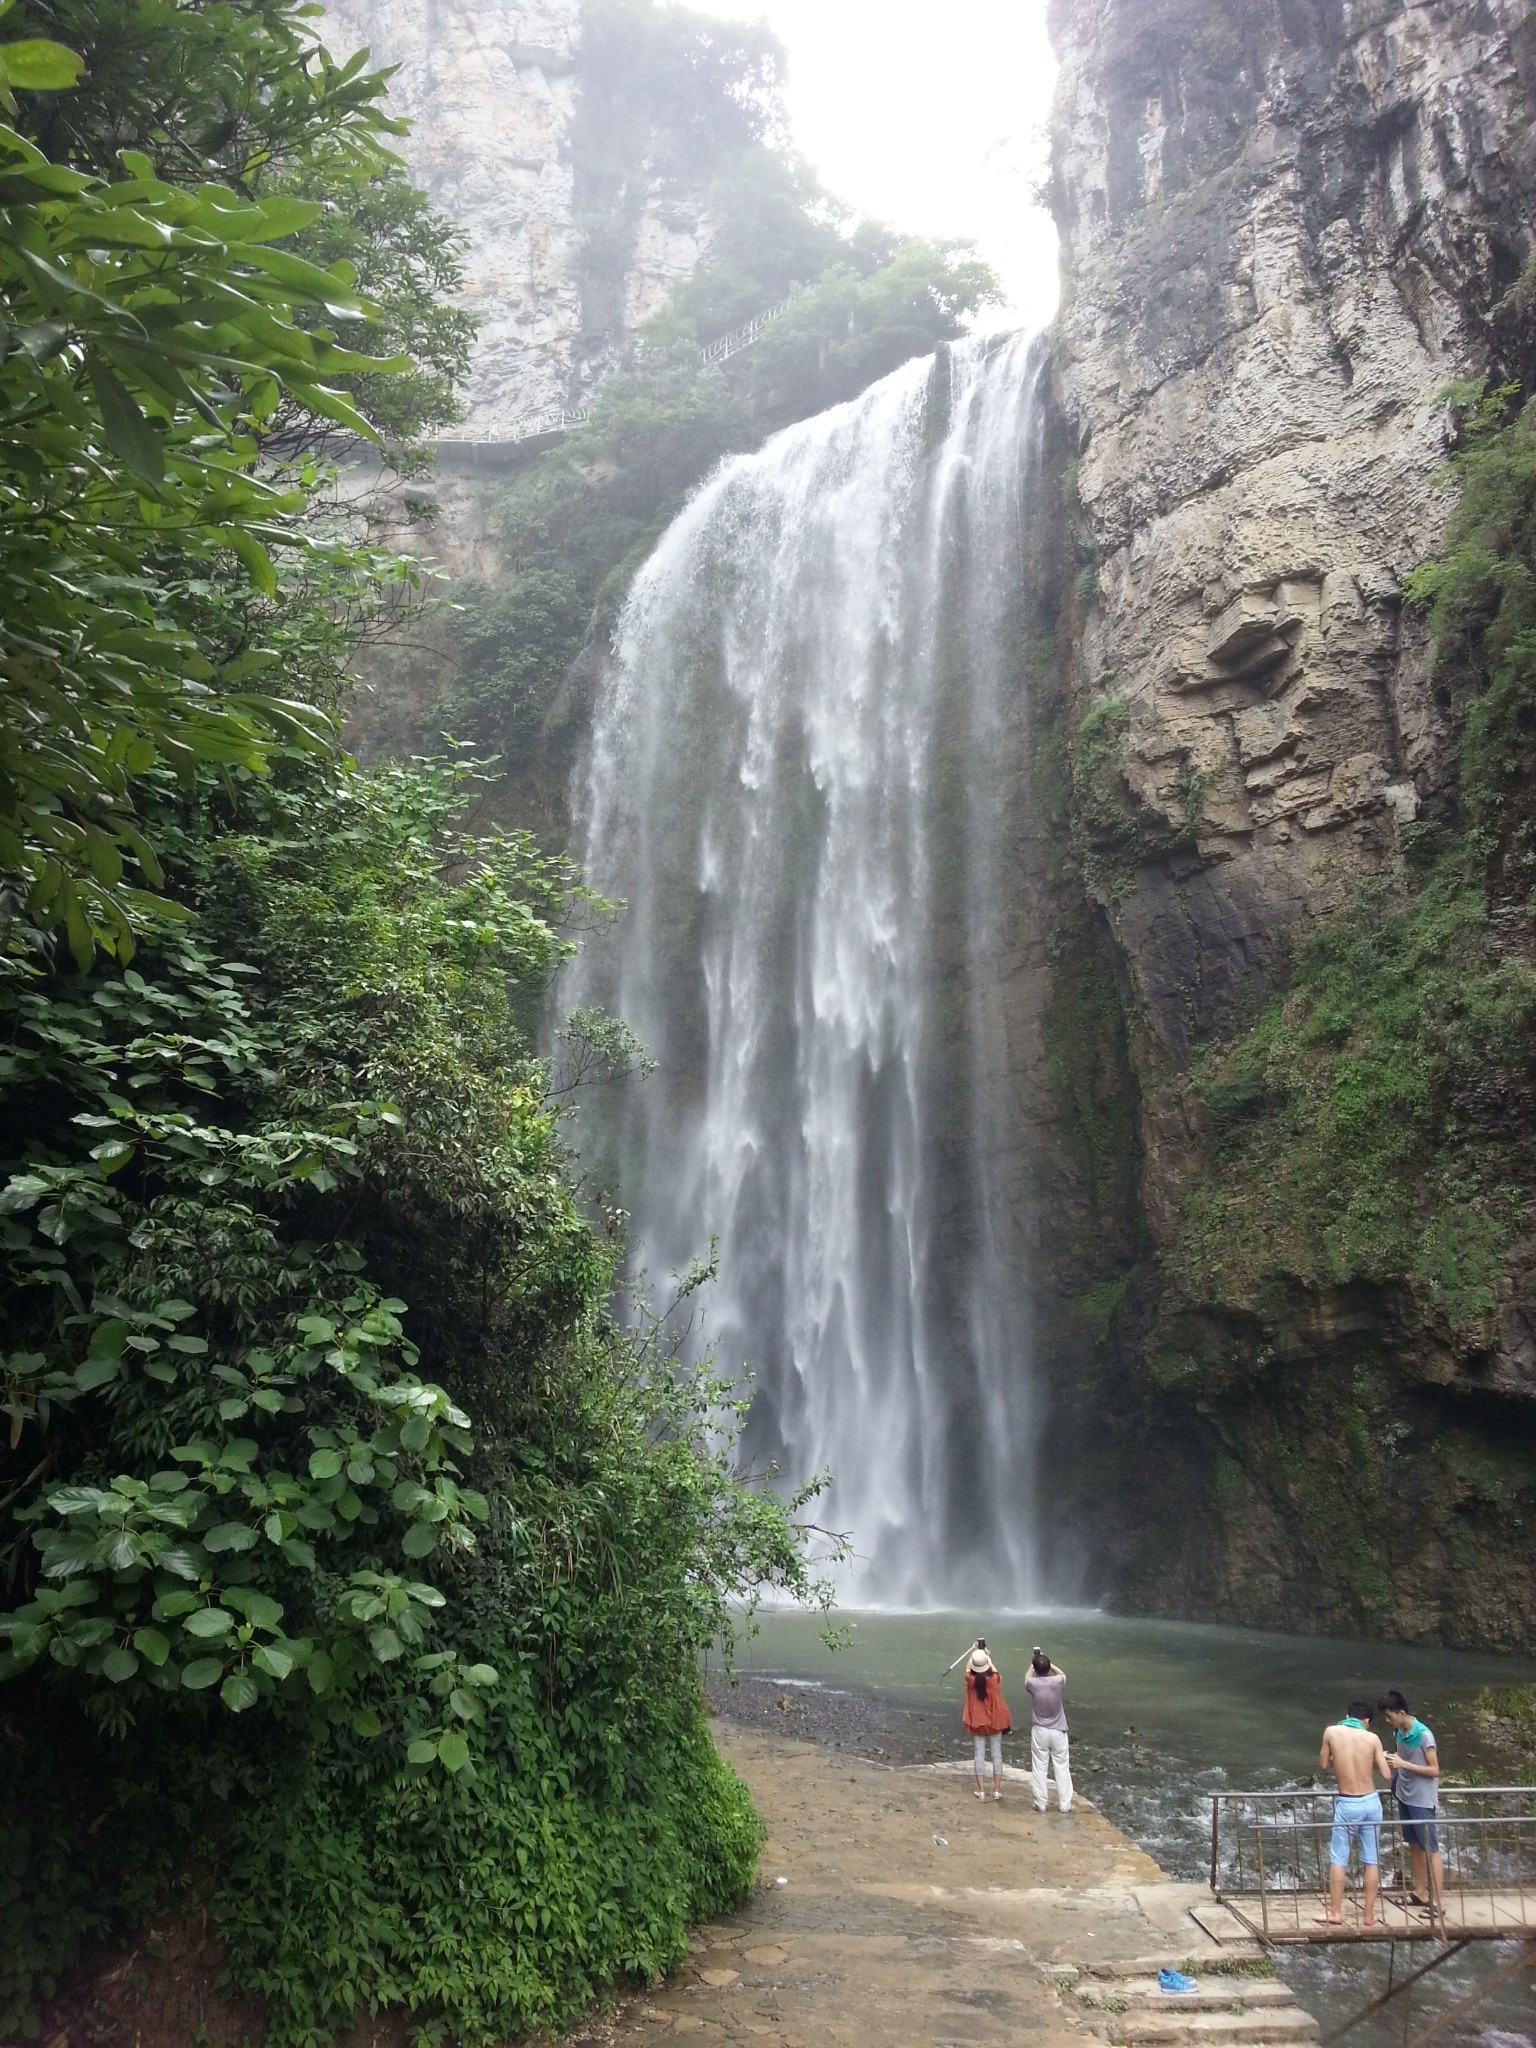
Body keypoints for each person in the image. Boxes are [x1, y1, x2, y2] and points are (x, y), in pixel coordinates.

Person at [1317, 1700, 1393, 1926]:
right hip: (1371, 1801)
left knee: (1339, 1859)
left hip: (1348, 1802)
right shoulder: (1372, 1739)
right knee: (1371, 1859)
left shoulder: (1331, 1732)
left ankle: (1335, 1913)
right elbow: (1387, 1774)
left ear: (1347, 1715)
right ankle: (1368, 1916)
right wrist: (1375, 1760)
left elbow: (1323, 1765)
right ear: (1366, 1721)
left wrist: (1337, 1758)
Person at [1379, 1689, 1443, 1913]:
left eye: (1390, 1716)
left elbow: (1434, 1770)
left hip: (1422, 1800)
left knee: (1431, 1847)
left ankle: (1437, 1903)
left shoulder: (1424, 1735)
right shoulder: (1399, 1733)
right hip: (1405, 1795)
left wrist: (1404, 1765)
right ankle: (1420, 1892)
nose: (1388, 1721)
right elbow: (1402, 1760)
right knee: (1414, 1846)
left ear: (1402, 1712)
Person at [1025, 1646, 1072, 1814]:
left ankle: (1041, 1803)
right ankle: (1065, 1804)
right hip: (1058, 1730)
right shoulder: (1058, 1682)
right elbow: (1062, 1673)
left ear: (1035, 1668)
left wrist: (1033, 1662)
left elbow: (1027, 1677)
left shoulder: (1033, 1684)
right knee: (1062, 1767)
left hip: (1040, 1731)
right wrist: (1049, 1663)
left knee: (1039, 1766)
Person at [962, 1642, 1011, 1802]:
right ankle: (996, 1791)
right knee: (997, 1755)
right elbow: (995, 1670)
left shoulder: (970, 1680)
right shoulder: (994, 1679)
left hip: (977, 1721)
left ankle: (981, 1790)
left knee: (979, 1754)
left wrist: (975, 1653)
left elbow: (969, 1668)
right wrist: (986, 1656)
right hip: (995, 1721)